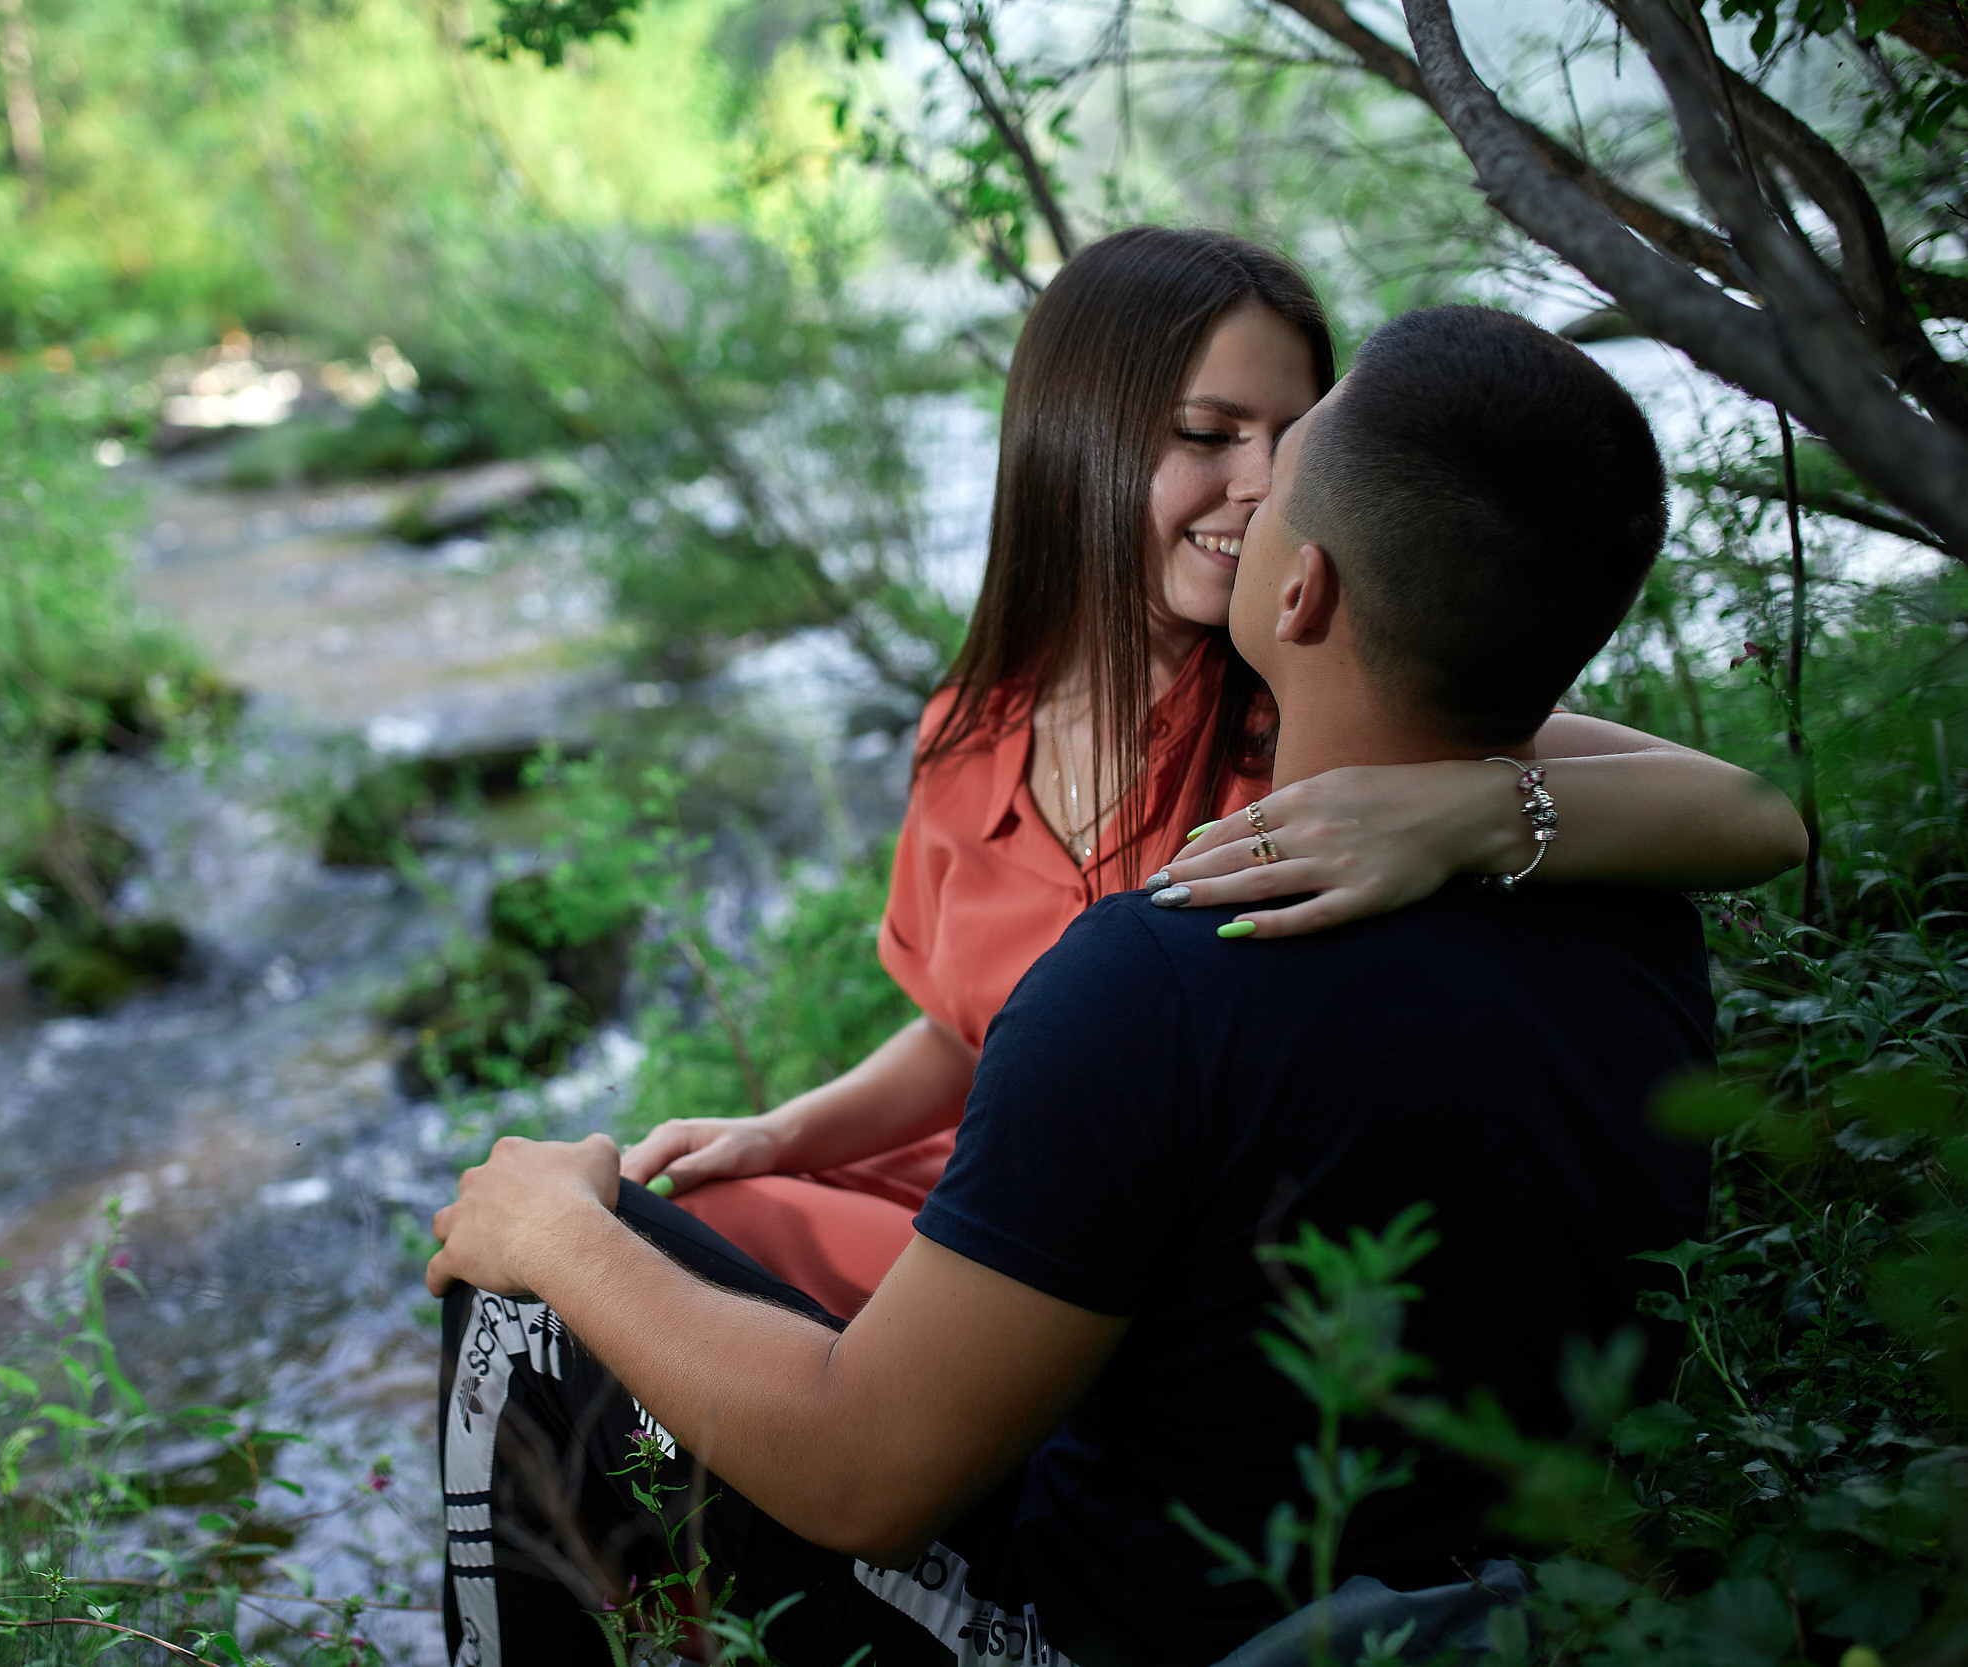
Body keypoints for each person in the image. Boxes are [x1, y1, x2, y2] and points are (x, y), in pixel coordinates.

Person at [430, 304, 1718, 1667]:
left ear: (1303, 592)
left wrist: (556, 1232)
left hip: (1115, 1631)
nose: (1244, 495)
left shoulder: (1156, 977)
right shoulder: (1630, 897)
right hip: (1504, 1605)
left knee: (528, 1301)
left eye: (1279, 480)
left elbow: (864, 1476)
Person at [620, 229, 1801, 1321]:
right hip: (971, 1192)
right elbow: (961, 1034)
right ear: (1074, 438)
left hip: (1115, 1263)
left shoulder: (1318, 719)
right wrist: (784, 1129)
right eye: (1207, 433)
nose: (1262, 482)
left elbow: (1753, 816)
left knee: (658, 1256)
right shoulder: (970, 728)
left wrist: (1470, 808)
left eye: (1290, 441)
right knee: (677, 1219)